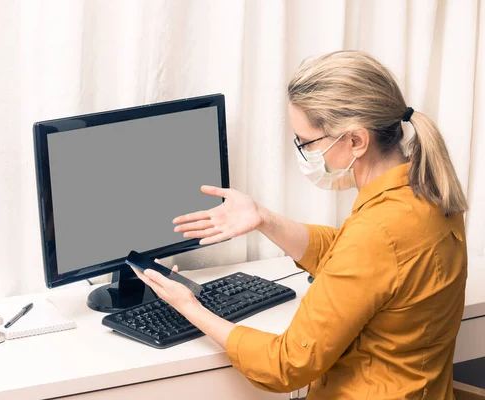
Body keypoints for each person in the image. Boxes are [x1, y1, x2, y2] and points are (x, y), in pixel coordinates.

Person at [131, 50, 468, 399]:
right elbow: (354, 258)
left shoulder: (376, 233)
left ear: (356, 140)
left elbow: (285, 365)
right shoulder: (430, 189)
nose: (304, 151)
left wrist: (188, 307)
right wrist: (264, 219)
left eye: (307, 141)